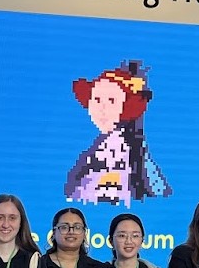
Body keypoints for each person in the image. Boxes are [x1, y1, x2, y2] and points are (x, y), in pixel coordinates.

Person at [64, 62, 172, 206]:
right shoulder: (98, 148)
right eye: (97, 100)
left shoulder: (124, 151)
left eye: (111, 101)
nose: (102, 108)